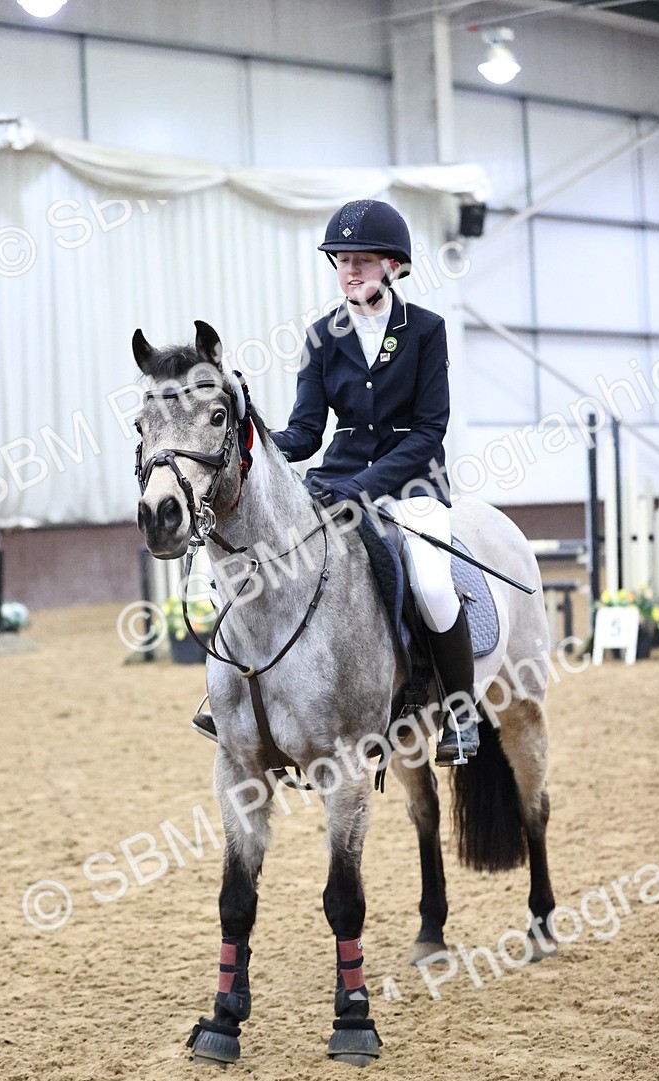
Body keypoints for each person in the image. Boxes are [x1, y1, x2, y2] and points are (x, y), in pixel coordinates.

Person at [193, 198, 478, 764]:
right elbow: (305, 432)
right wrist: (253, 424)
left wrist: (368, 483)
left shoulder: (425, 330)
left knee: (433, 582)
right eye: (342, 260)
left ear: (392, 267)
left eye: (363, 260)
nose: (350, 271)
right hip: (337, 480)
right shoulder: (323, 335)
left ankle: (460, 712)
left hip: (413, 483)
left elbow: (428, 430)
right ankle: (227, 692)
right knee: (261, 557)